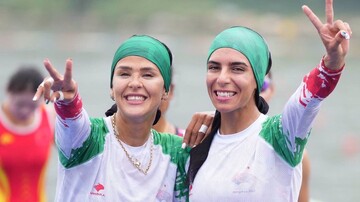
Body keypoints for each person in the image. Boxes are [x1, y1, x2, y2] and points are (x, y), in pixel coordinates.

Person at [186, 0, 351, 201]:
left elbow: (310, 95)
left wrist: (332, 62)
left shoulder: (280, 136)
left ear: (258, 79)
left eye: (237, 69)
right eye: (214, 67)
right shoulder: (197, 142)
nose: (222, 78)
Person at [33, 35, 211, 201]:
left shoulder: (177, 152)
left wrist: (219, 121)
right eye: (124, 74)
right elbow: (72, 119)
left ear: (166, 91)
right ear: (112, 88)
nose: (134, 83)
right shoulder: (86, 140)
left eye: (147, 75)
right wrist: (68, 100)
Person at [0, 66, 54, 202]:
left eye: (32, 106)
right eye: (19, 104)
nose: (25, 111)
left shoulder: (49, 117)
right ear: (8, 91)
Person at [261, 70, 311, 202]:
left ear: (271, 89)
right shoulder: (206, 132)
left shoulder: (298, 155)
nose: (255, 95)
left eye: (261, 87)